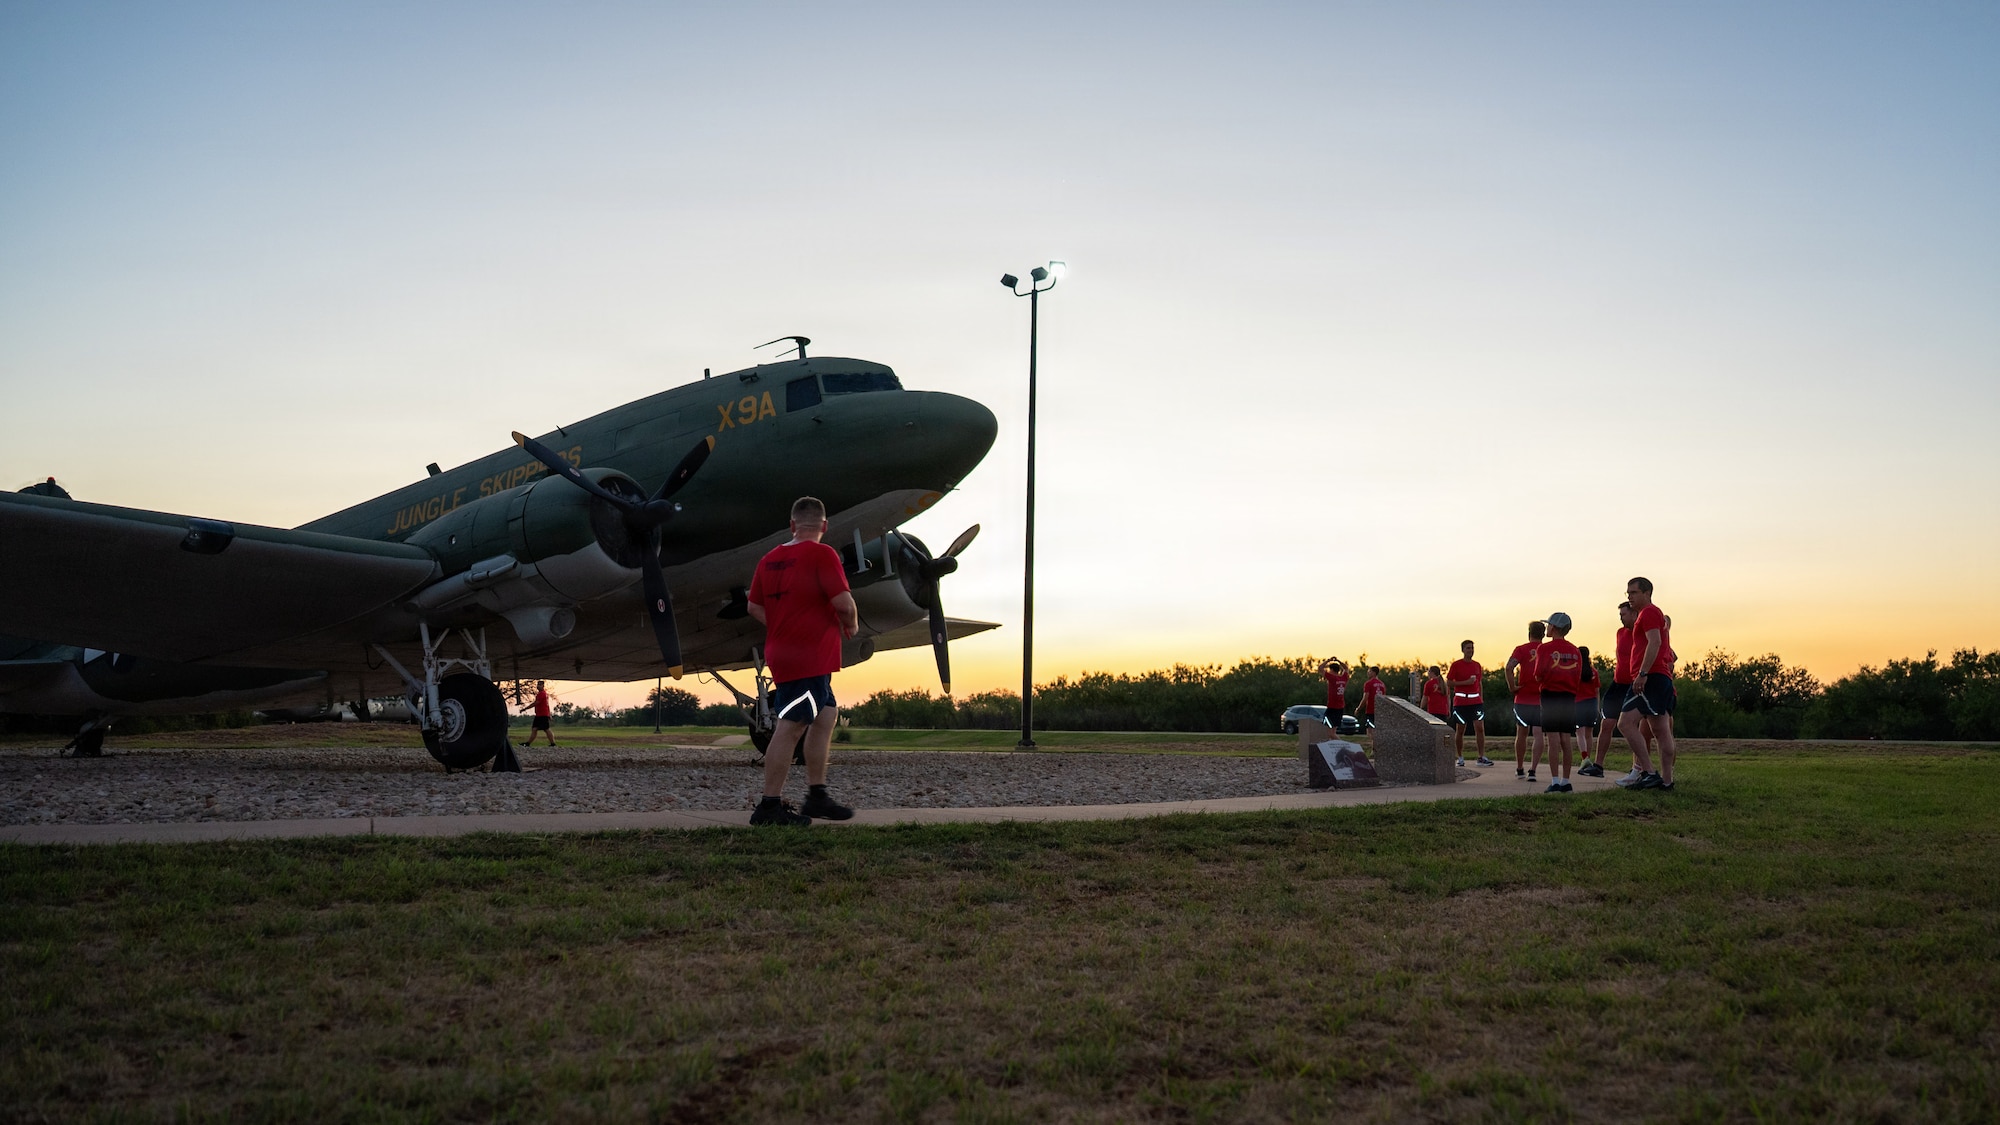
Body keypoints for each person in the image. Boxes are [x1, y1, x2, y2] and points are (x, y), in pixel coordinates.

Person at [744, 496, 861, 825]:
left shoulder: (770, 559)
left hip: (791, 654)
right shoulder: (822, 554)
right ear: (824, 526)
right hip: (806, 657)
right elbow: (844, 603)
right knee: (791, 725)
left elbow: (753, 607)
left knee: (825, 716)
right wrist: (851, 623)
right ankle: (768, 806)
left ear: (792, 525)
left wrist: (783, 624)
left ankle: (817, 795)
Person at [1617, 576, 1679, 791]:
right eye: (1628, 593)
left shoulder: (1650, 612)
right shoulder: (1651, 613)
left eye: (1633, 593)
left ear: (1647, 593)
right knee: (1661, 730)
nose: (1629, 597)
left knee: (1625, 723)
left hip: (1651, 677)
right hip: (1659, 677)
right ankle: (1667, 781)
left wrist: (1642, 673)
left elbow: (1655, 641)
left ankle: (1649, 772)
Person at [1535, 614, 1582, 792]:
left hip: (1550, 695)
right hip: (1569, 696)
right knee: (1566, 739)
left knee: (1552, 738)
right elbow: (1577, 676)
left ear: (1553, 628)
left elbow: (1539, 673)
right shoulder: (1575, 650)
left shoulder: (1544, 649)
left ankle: (1554, 781)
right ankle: (1566, 780)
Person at [1504, 621, 1546, 782]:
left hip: (1522, 698)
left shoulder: (1521, 649)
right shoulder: (1547, 650)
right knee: (1538, 734)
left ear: (1529, 633)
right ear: (1543, 634)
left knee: (1521, 733)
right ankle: (1533, 770)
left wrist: (1512, 686)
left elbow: (1509, 667)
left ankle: (1520, 768)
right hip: (1542, 698)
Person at [1447, 639, 1491, 767]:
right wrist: (1465, 683)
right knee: (1460, 730)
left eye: (1472, 648)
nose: (1471, 651)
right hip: (1461, 702)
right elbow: (1449, 682)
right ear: (1463, 650)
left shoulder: (1477, 665)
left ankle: (1481, 757)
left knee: (1480, 728)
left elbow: (1479, 683)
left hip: (1476, 701)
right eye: (1468, 648)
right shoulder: (1456, 665)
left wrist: (1481, 698)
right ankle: (1459, 757)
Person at [1573, 645, 1604, 776]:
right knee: (1589, 733)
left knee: (1579, 733)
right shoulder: (1593, 672)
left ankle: (1584, 757)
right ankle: (1588, 759)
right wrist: (1597, 707)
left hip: (1578, 704)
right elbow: (1597, 691)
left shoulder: (1575, 671)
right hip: (1591, 703)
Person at [1319, 658, 1350, 732]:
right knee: (1332, 732)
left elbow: (1320, 668)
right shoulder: (1343, 678)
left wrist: (1328, 660)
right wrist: (1339, 661)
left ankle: (1343, 743)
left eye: (1330, 670)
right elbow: (1346, 668)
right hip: (1340, 707)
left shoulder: (1332, 678)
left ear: (1332, 670)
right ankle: (1333, 743)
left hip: (1332, 707)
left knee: (1330, 733)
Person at [522, 680, 557, 747]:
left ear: (543, 686)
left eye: (540, 685)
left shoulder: (542, 694)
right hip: (539, 714)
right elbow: (547, 705)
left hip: (542, 714)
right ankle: (528, 743)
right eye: (538, 684)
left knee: (546, 729)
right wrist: (549, 714)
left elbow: (536, 703)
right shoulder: (542, 694)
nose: (538, 686)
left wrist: (526, 708)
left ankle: (553, 743)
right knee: (534, 729)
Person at [1357, 666, 1388, 731]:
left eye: (1369, 671)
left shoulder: (1368, 683)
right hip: (1379, 710)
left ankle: (1374, 741)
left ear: (1374, 673)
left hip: (1371, 709)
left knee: (1370, 730)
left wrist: (1359, 708)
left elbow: (1365, 697)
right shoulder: (1382, 684)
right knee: (1377, 730)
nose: (1367, 673)